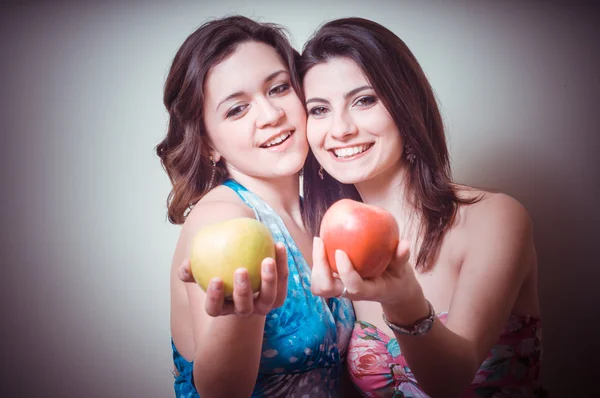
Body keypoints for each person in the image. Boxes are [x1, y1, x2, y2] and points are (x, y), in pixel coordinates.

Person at [299, 18, 543, 397]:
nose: (341, 128)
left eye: (364, 100)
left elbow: (449, 381)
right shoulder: (325, 245)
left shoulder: (495, 219)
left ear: (405, 107)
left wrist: (402, 301)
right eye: (318, 109)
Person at [156, 16, 355, 397]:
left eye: (279, 89)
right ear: (208, 143)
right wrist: (242, 316)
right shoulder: (223, 220)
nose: (271, 115)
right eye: (236, 109)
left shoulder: (320, 214)